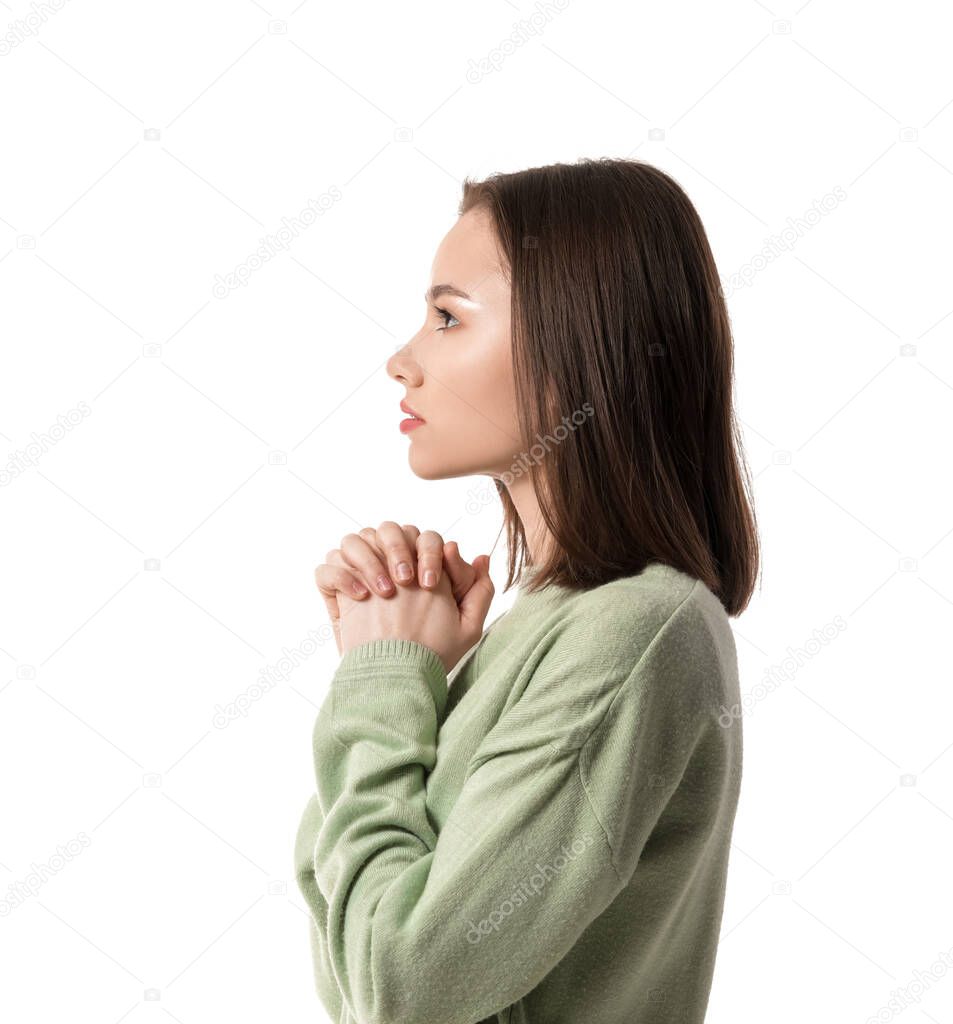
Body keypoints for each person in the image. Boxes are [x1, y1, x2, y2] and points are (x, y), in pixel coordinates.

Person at [295, 156, 760, 1024]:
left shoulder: (637, 629)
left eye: (446, 317)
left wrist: (381, 683)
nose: (401, 361)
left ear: (577, 337)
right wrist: (414, 682)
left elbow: (409, 988)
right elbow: (350, 961)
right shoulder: (555, 627)